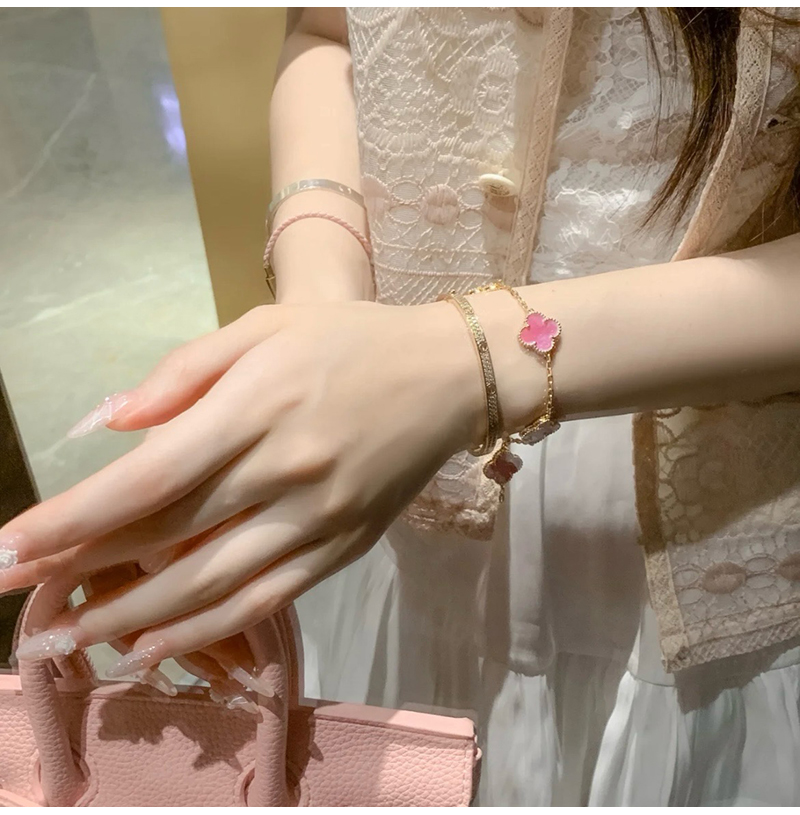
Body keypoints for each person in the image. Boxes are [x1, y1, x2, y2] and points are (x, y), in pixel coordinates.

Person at [5, 7, 800, 805]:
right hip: (391, 500)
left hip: (716, 544)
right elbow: (328, 33)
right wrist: (322, 314)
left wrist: (466, 363)